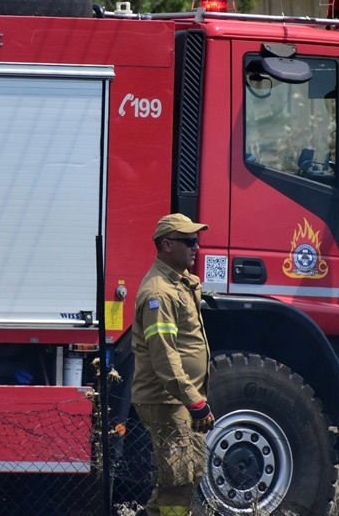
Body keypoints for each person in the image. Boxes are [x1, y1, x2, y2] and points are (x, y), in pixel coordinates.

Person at [132, 213, 213, 516]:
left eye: (197, 240)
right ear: (167, 244)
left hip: (181, 399)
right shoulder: (159, 294)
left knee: (187, 474)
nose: (197, 247)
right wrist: (194, 402)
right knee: (177, 478)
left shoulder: (178, 285)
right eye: (189, 241)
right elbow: (165, 357)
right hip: (167, 400)